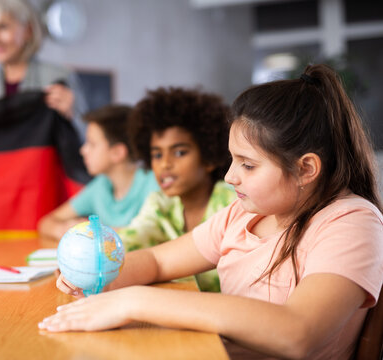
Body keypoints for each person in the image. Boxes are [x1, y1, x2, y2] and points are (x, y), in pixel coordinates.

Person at [42, 65, 383, 360]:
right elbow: (158, 261)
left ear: (307, 168)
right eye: (233, 159)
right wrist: (97, 276)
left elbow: (298, 332)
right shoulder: (243, 214)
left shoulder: (351, 222)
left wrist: (135, 302)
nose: (229, 176)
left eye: (248, 165)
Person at [117, 87, 236, 291]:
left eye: (179, 152)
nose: (164, 164)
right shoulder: (160, 204)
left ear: (209, 157)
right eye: (156, 155)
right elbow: (134, 236)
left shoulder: (232, 201)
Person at [38, 105, 158, 241]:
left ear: (117, 153)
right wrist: (65, 228)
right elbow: (46, 223)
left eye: (92, 144)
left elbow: (152, 233)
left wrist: (93, 232)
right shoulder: (101, 185)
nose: (83, 150)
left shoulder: (153, 184)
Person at [0, 0, 88, 140]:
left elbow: (87, 142)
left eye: (3, 27)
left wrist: (71, 115)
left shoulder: (58, 77)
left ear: (28, 31)